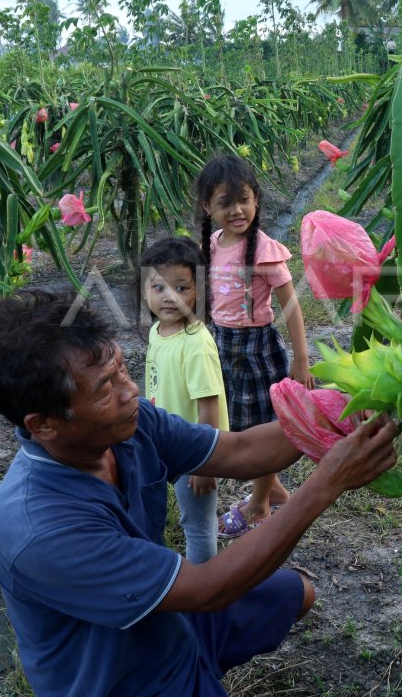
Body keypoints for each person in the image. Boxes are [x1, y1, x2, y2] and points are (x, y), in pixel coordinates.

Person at [0, 289, 396, 697]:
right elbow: (207, 589)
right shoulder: (39, 531)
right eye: (105, 388)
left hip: (172, 622)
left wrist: (331, 409)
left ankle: (204, 662)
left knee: (296, 594)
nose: (130, 391)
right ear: (43, 424)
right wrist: (325, 485)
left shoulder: (130, 427)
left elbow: (241, 449)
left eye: (122, 369)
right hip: (126, 681)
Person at [196, 154, 313, 537]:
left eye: (243, 199)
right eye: (225, 202)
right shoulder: (212, 244)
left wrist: (301, 359)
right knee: (239, 425)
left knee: (260, 429)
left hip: (255, 350)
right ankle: (275, 490)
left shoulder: (263, 251)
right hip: (222, 346)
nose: (237, 210)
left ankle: (259, 505)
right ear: (207, 207)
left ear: (256, 199)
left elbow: (291, 306)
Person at [139, 237, 227, 564]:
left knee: (198, 525)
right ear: (144, 290)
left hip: (195, 450)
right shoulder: (158, 331)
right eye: (158, 288)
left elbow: (209, 406)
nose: (169, 298)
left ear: (199, 291)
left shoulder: (196, 343)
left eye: (181, 288)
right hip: (166, 442)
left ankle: (203, 589)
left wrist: (204, 464)